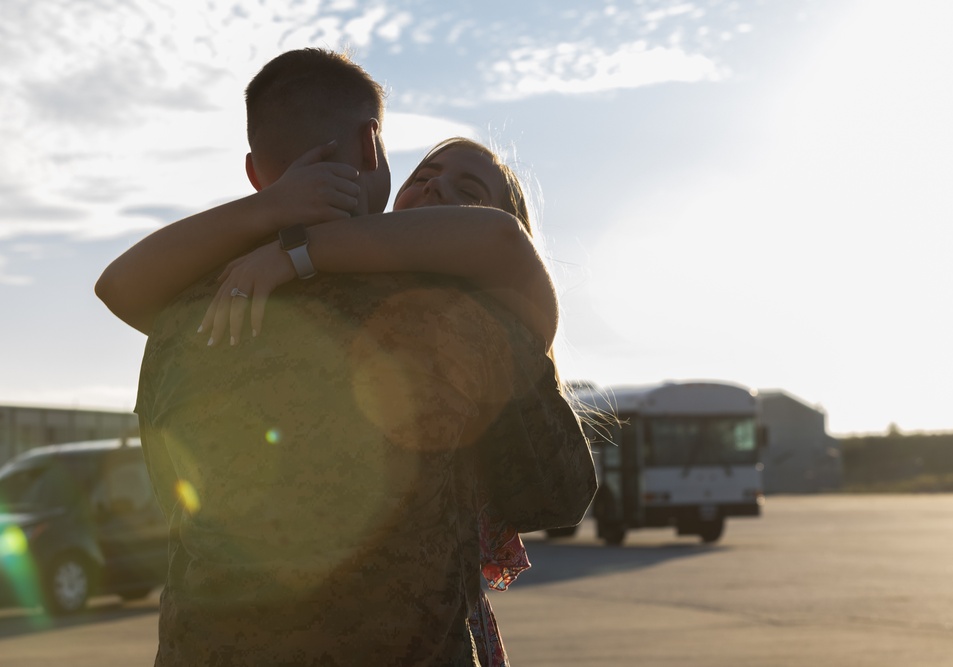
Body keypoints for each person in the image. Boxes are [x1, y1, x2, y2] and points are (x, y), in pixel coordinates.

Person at [96, 48, 596, 666]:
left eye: (464, 191)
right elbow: (559, 492)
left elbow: (170, 484)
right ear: (372, 146)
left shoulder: (194, 312)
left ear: (256, 172)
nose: (434, 188)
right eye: (424, 176)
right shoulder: (472, 328)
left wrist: (283, 237)